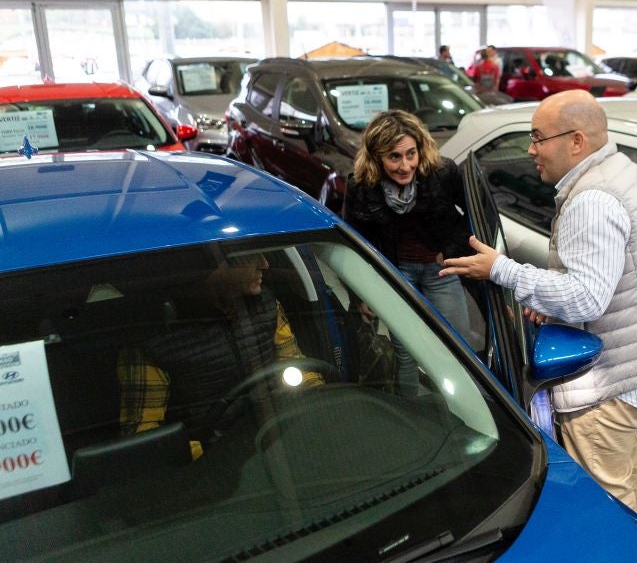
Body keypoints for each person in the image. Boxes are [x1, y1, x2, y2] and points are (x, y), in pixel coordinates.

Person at [440, 89, 637, 513]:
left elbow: (587, 298)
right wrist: (552, 298)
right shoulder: (621, 172)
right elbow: (604, 275)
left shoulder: (593, 200)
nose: (530, 150)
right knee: (622, 477)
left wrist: (501, 270)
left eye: (538, 138)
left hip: (609, 379)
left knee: (602, 503)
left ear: (576, 141)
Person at [117, 252, 322, 459]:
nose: (265, 264)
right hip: (212, 464)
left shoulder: (266, 304)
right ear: (211, 269)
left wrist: (321, 401)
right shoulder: (153, 342)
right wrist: (199, 454)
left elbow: (295, 362)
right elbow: (143, 434)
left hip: (280, 438)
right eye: (249, 256)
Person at [343, 110, 473, 397]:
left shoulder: (442, 173)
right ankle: (414, 413)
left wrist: (451, 251)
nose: (405, 166)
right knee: (405, 354)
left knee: (459, 350)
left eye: (410, 154)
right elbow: (353, 244)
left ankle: (461, 412)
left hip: (440, 272)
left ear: (420, 149)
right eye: (394, 157)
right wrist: (361, 295)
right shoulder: (361, 187)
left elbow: (474, 216)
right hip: (396, 274)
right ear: (376, 157)